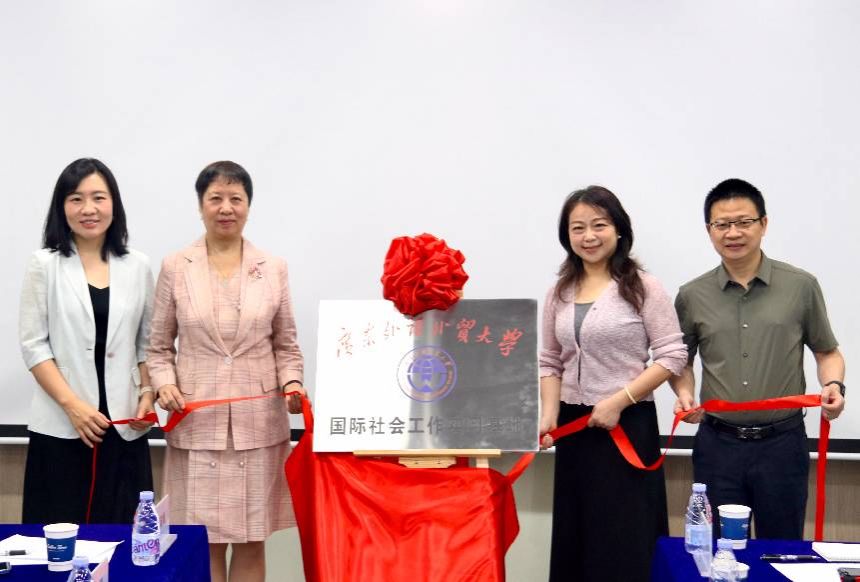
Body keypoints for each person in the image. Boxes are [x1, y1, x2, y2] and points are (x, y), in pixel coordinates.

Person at [147, 161, 305, 582]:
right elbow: (158, 348)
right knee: (204, 541)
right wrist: (164, 385)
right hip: (198, 423)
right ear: (200, 205)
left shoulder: (273, 267)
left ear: (248, 206)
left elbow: (287, 345)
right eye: (215, 198)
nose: (226, 207)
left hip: (258, 428)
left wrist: (292, 382)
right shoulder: (176, 266)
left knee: (253, 541)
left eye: (236, 198)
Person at [671, 178, 845, 540]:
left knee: (781, 551)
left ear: (763, 224)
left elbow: (827, 352)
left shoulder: (800, 285)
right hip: (718, 446)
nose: (733, 233)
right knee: (719, 550)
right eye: (722, 224)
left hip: (782, 445)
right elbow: (680, 361)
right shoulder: (691, 295)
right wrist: (684, 393)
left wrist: (833, 384)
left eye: (744, 222)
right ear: (709, 230)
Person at [539, 186, 687, 582]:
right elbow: (550, 360)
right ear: (567, 236)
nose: (588, 236)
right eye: (578, 228)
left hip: (627, 425)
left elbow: (672, 355)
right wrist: (549, 415)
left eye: (599, 225)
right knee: (578, 533)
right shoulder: (558, 292)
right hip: (575, 428)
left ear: (619, 229)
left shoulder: (643, 286)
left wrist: (619, 401)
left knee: (624, 535)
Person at [18, 158, 155, 524]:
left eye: (98, 197)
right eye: (76, 199)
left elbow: (147, 344)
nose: (88, 209)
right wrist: (73, 406)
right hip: (64, 424)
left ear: (114, 204)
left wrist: (147, 393)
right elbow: (34, 345)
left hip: (124, 424)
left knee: (123, 535)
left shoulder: (138, 265)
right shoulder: (44, 264)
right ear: (62, 207)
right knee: (58, 535)